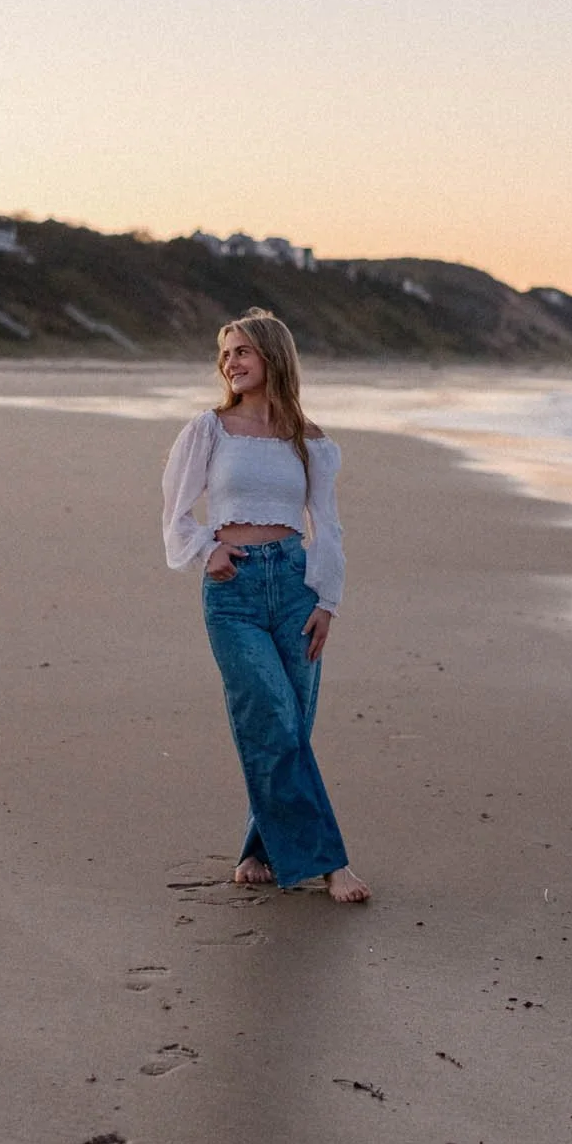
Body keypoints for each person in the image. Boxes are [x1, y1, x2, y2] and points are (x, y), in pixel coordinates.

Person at [161, 308, 370, 903]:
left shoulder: (311, 442)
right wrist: (207, 550)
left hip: (296, 584)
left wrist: (327, 599)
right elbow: (174, 510)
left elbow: (326, 526)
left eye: (243, 352)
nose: (231, 363)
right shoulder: (209, 429)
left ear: (273, 357)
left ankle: (259, 848)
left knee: (292, 724)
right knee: (270, 718)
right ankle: (329, 864)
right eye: (225, 354)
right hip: (234, 591)